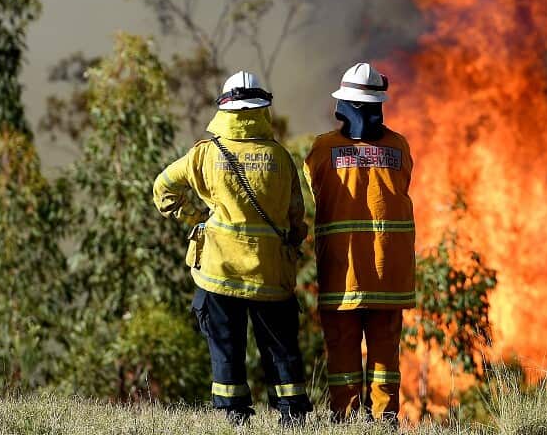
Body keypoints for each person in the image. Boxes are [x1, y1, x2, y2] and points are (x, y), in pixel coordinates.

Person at [152, 71, 312, 426]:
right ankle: (292, 419)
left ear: (225, 110)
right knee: (281, 350)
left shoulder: (206, 155)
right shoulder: (281, 158)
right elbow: (297, 217)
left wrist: (195, 217)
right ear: (262, 110)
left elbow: (162, 188)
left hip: (219, 273)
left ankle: (232, 420)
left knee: (225, 350)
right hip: (270, 275)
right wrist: (291, 238)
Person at [304, 62, 415, 422]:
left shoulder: (322, 150)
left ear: (344, 105)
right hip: (388, 277)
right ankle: (384, 421)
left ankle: (346, 421)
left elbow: (314, 190)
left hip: (343, 275)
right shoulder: (399, 146)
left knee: (343, 355)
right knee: (385, 358)